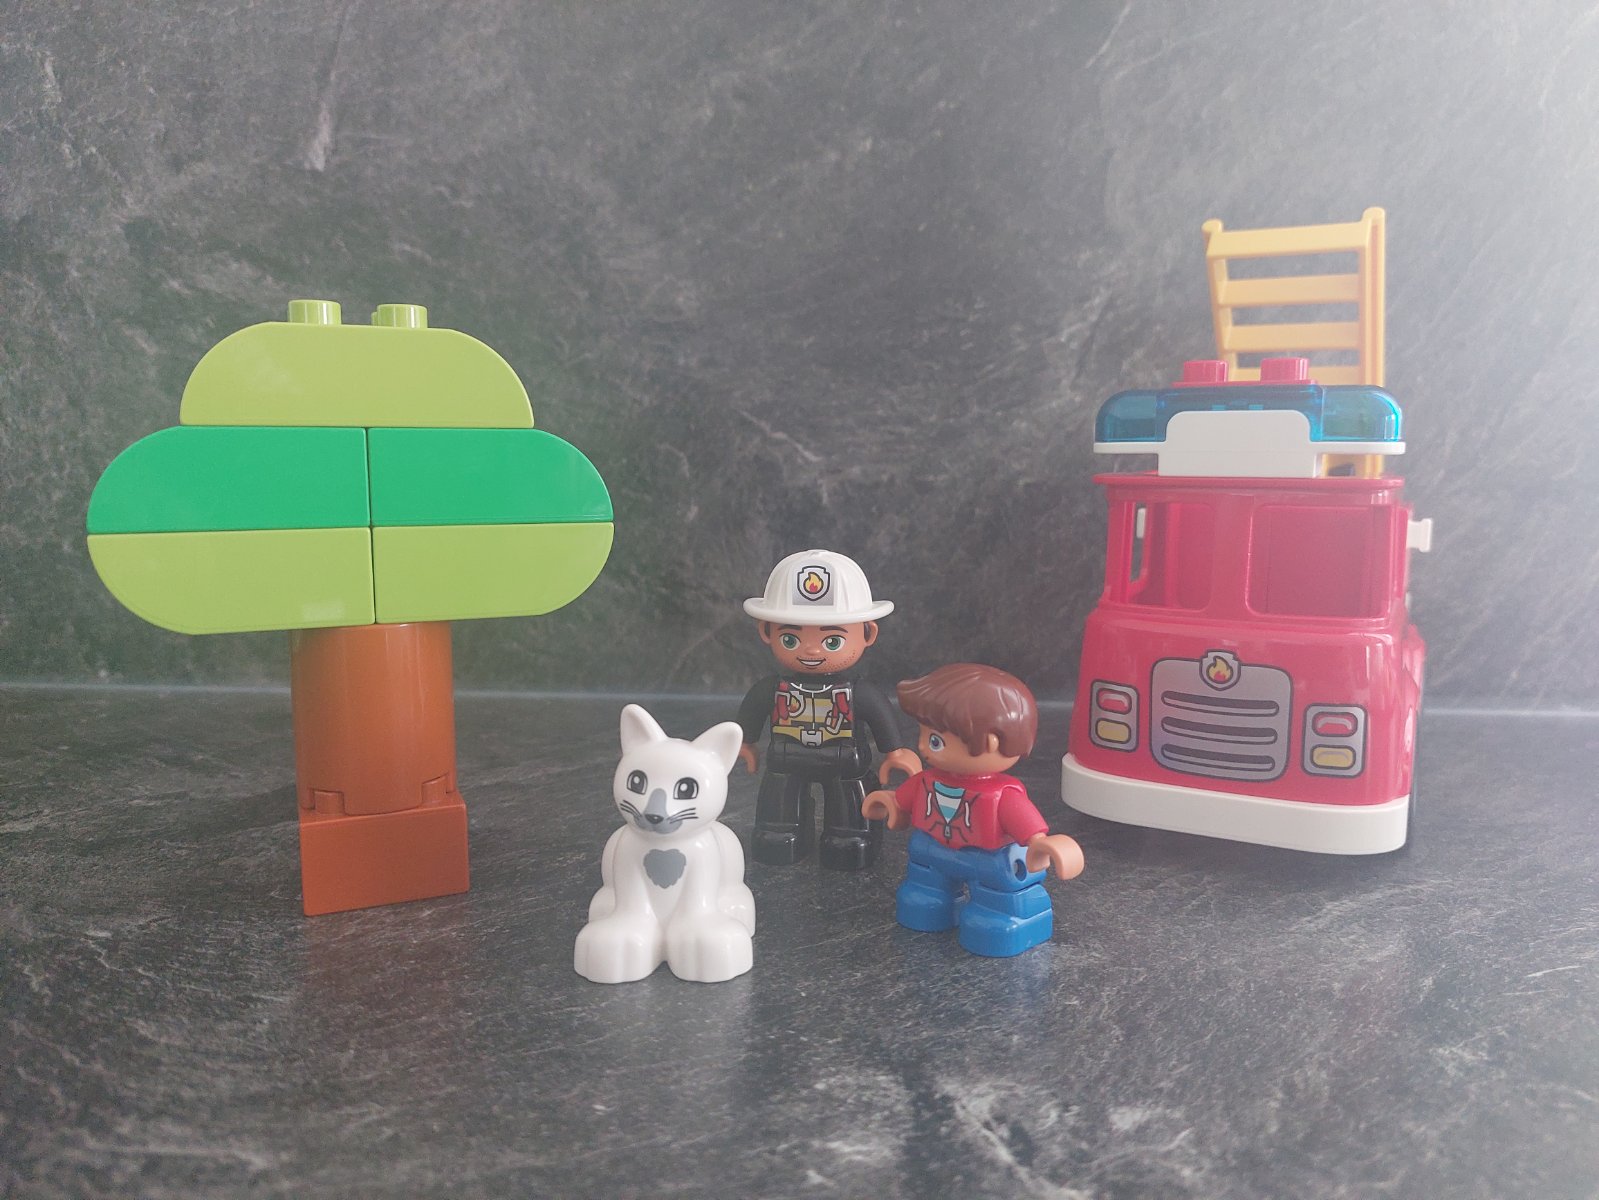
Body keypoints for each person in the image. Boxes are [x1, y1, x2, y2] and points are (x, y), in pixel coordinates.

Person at [863, 663, 1084, 957]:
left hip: (987, 861)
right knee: (923, 891)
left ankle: (1005, 918)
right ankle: (930, 899)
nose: (924, 748)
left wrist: (1041, 843)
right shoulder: (928, 780)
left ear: (992, 742)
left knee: (997, 899)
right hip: (932, 851)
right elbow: (903, 800)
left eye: (935, 740)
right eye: (925, 734)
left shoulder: (1002, 795)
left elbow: (1027, 826)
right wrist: (890, 803)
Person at [736, 550, 915, 870]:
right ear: (767, 632)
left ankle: (850, 835)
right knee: (779, 798)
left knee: (849, 802)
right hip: (787, 758)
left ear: (868, 633)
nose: (811, 649)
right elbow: (753, 708)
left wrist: (895, 751)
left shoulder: (859, 693)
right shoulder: (773, 689)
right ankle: (779, 832)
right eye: (790, 639)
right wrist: (744, 742)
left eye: (832, 641)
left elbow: (879, 713)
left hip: (843, 761)